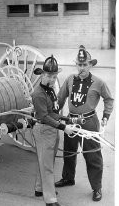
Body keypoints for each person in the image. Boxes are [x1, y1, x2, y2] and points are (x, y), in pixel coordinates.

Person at [55, 45, 114, 201]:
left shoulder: (99, 82)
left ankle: (97, 187)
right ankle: (68, 178)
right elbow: (60, 98)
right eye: (79, 65)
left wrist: (106, 115)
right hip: (71, 121)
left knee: (92, 155)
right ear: (76, 65)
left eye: (85, 64)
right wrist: (54, 112)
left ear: (90, 65)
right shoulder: (69, 79)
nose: (82, 68)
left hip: (89, 122)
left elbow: (109, 99)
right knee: (69, 151)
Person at [31, 55, 74, 206]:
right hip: (43, 129)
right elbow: (43, 116)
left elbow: (52, 112)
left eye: (55, 76)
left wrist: (66, 120)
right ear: (42, 75)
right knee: (47, 165)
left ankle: (39, 188)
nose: (52, 79)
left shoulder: (49, 90)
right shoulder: (38, 94)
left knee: (44, 161)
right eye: (49, 76)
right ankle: (50, 200)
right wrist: (64, 127)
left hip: (51, 129)